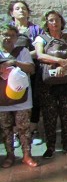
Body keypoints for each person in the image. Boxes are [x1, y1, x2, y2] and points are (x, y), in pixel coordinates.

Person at [34, 11, 67, 158]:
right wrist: (60, 61)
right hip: (48, 84)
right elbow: (40, 55)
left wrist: (65, 66)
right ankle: (50, 147)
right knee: (49, 116)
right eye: (51, 20)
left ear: (61, 21)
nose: (54, 23)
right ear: (46, 23)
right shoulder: (41, 38)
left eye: (57, 20)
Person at [0, 24, 37, 168]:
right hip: (2, 99)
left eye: (12, 35)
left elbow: (31, 69)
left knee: (24, 128)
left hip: (22, 98)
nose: (8, 38)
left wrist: (14, 63)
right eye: (5, 34)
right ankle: (10, 155)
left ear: (16, 38)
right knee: (6, 128)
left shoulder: (23, 51)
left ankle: (27, 155)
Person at [8, 0, 44, 146]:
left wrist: (24, 56)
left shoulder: (36, 29)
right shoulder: (7, 29)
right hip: (11, 70)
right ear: (12, 13)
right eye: (17, 8)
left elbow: (41, 48)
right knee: (13, 98)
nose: (21, 11)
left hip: (32, 68)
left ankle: (33, 130)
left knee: (34, 99)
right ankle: (16, 133)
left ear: (28, 12)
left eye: (24, 8)